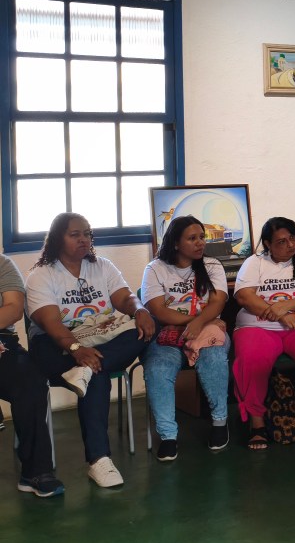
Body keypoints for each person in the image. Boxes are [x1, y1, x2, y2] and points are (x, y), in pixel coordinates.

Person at [25, 213, 155, 488]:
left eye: (87, 234)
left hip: (100, 338)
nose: (83, 239)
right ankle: (99, 460)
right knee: (96, 372)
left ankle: (85, 370)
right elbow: (51, 323)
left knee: (140, 331)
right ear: (58, 239)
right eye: (75, 234)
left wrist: (140, 309)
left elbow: (125, 297)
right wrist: (76, 349)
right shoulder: (41, 275)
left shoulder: (102, 266)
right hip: (55, 345)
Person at [232, 217, 295, 453]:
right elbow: (244, 297)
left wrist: (287, 306)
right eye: (281, 241)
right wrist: (281, 315)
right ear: (267, 244)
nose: (290, 245)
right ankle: (257, 423)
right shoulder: (254, 263)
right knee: (251, 356)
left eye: (292, 238)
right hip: (259, 327)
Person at [140, 215, 231, 461]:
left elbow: (218, 302)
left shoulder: (212, 265)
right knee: (158, 368)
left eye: (202, 237)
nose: (200, 243)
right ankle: (168, 436)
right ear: (176, 243)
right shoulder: (155, 269)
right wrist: (195, 321)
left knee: (214, 358)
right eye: (192, 238)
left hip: (207, 334)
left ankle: (220, 423)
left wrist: (200, 324)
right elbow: (158, 311)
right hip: (168, 336)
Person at [0, 254, 65, 497]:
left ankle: (35, 472)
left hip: (3, 342)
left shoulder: (2, 264)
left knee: (31, 382)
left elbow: (14, 309)